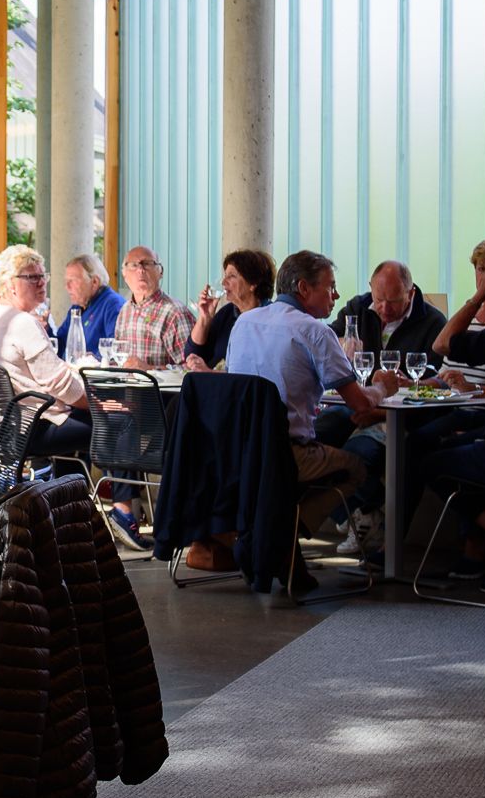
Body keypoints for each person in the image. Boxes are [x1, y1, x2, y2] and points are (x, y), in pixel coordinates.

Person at [225, 250, 399, 580]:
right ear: (304, 288)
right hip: (289, 453)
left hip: (241, 451)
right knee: (355, 467)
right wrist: (383, 388)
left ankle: (270, 536)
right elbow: (360, 404)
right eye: (330, 287)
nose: (336, 295)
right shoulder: (315, 331)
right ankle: (285, 536)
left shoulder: (244, 323)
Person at [313, 260, 448, 558]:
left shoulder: (433, 323)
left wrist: (379, 408)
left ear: (410, 294)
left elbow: (435, 384)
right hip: (355, 405)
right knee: (309, 440)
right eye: (379, 299)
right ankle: (362, 513)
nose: (384, 309)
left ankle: (362, 516)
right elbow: (327, 342)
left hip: (397, 416)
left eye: (394, 301)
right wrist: (341, 344)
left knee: (360, 454)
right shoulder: (358, 309)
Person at [411, 238, 485, 586]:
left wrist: (479, 298)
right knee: (432, 443)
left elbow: (442, 343)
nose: (480, 276)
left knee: (427, 462)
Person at [101, 245, 198, 548]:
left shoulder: (174, 312)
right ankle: (123, 508)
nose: (141, 271)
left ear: (160, 271)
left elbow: (190, 370)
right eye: (134, 265)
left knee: (122, 419)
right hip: (133, 402)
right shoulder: (125, 312)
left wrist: (149, 368)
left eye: (148, 264)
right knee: (104, 414)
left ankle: (123, 511)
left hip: (167, 407)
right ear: (124, 274)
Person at [0, 244, 91, 469]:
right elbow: (60, 385)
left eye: (43, 275)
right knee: (113, 423)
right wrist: (99, 404)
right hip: (27, 431)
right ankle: (122, 499)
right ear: (10, 284)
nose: (42, 282)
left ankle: (63, 498)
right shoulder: (22, 322)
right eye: (32, 277)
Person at [184, 248, 275, 370]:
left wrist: (209, 373)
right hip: (217, 386)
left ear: (253, 283)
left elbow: (253, 373)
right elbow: (192, 355)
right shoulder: (228, 313)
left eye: (231, 276)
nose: (223, 282)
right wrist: (205, 318)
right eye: (225, 276)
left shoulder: (270, 319)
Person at [52, 253, 124, 359]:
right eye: (66, 281)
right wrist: (45, 328)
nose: (67, 287)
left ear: (94, 282)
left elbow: (116, 348)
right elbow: (60, 347)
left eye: (73, 281)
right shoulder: (77, 307)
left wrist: (94, 358)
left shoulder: (113, 304)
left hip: (94, 374)